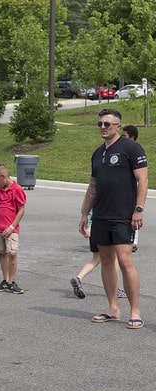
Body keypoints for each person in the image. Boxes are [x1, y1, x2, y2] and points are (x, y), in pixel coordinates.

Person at [79, 109, 147, 329]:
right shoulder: (97, 153)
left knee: (125, 261)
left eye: (107, 124)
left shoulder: (131, 148)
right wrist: (84, 214)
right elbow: (93, 186)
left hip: (123, 215)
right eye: (100, 123)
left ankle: (135, 311)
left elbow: (143, 180)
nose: (103, 127)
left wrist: (138, 209)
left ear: (118, 126)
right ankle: (112, 309)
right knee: (106, 261)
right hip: (101, 215)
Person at [0, 164, 27, 294]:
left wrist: (12, 226)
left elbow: (21, 210)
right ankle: (5, 280)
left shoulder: (17, 189)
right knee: (2, 253)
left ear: (3, 176)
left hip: (11, 229)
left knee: (12, 253)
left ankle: (12, 281)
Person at [70, 211, 124, 299]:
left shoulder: (92, 198)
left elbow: (87, 211)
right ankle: (115, 288)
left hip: (93, 229)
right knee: (115, 258)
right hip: (104, 228)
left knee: (96, 259)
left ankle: (79, 277)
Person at [122, 125, 139, 253]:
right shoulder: (122, 149)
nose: (122, 139)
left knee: (133, 215)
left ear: (132, 137)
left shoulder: (136, 150)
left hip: (133, 187)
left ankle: (134, 241)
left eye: (125, 136)